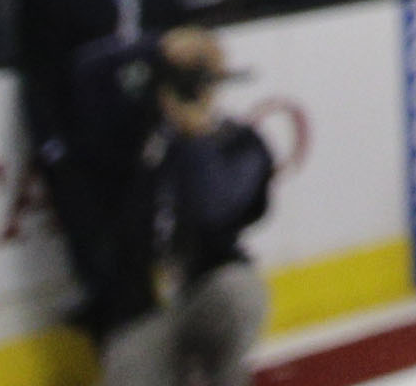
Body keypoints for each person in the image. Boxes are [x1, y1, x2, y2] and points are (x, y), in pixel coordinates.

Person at [67, 29, 273, 386]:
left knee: (240, 293)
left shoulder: (239, 143)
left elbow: (212, 207)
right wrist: (156, 47)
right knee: (130, 369)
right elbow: (83, 73)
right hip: (141, 310)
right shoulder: (131, 140)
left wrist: (195, 139)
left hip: (206, 292)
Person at [21, 0, 174, 314]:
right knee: (103, 268)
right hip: (86, 145)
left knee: (143, 257)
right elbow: (44, 74)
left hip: (142, 136)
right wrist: (55, 149)